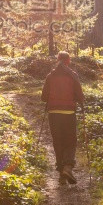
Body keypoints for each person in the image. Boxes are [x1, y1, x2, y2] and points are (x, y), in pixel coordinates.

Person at [41, 50, 85, 185]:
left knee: (58, 142)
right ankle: (67, 167)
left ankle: (61, 173)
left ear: (57, 60)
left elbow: (43, 97)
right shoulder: (73, 76)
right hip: (69, 113)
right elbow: (80, 97)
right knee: (70, 141)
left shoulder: (50, 76)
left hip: (53, 113)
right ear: (68, 61)